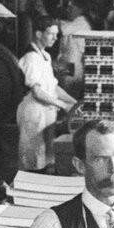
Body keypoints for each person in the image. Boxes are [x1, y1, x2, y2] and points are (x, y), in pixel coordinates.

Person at [16, 19, 77, 171]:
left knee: (47, 157)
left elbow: (53, 87)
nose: (55, 38)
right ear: (38, 34)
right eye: (51, 34)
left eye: (56, 35)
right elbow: (37, 92)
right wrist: (63, 106)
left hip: (47, 113)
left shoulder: (46, 56)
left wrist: (74, 103)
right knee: (32, 157)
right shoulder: (31, 58)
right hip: (34, 112)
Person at [55, 0, 92, 88]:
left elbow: (63, 29)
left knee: (69, 91)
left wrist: (43, 12)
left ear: (80, 10)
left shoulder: (82, 22)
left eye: (71, 8)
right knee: (63, 87)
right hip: (65, 61)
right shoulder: (71, 22)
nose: (68, 10)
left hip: (73, 63)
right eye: (68, 8)